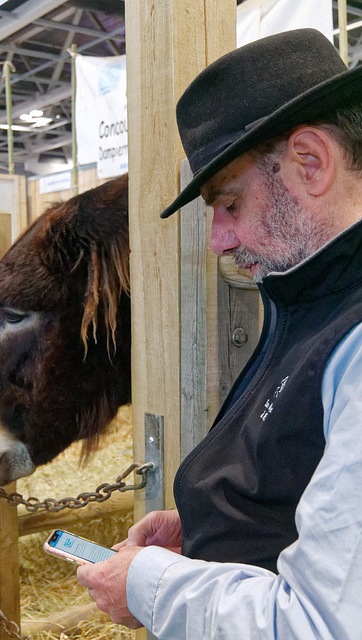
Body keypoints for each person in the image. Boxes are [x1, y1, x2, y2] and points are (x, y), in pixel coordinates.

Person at [77, 28, 362, 639]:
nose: (218, 241)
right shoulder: (315, 295)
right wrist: (212, 523)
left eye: (228, 203)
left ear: (310, 162)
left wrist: (150, 587)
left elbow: (318, 624)